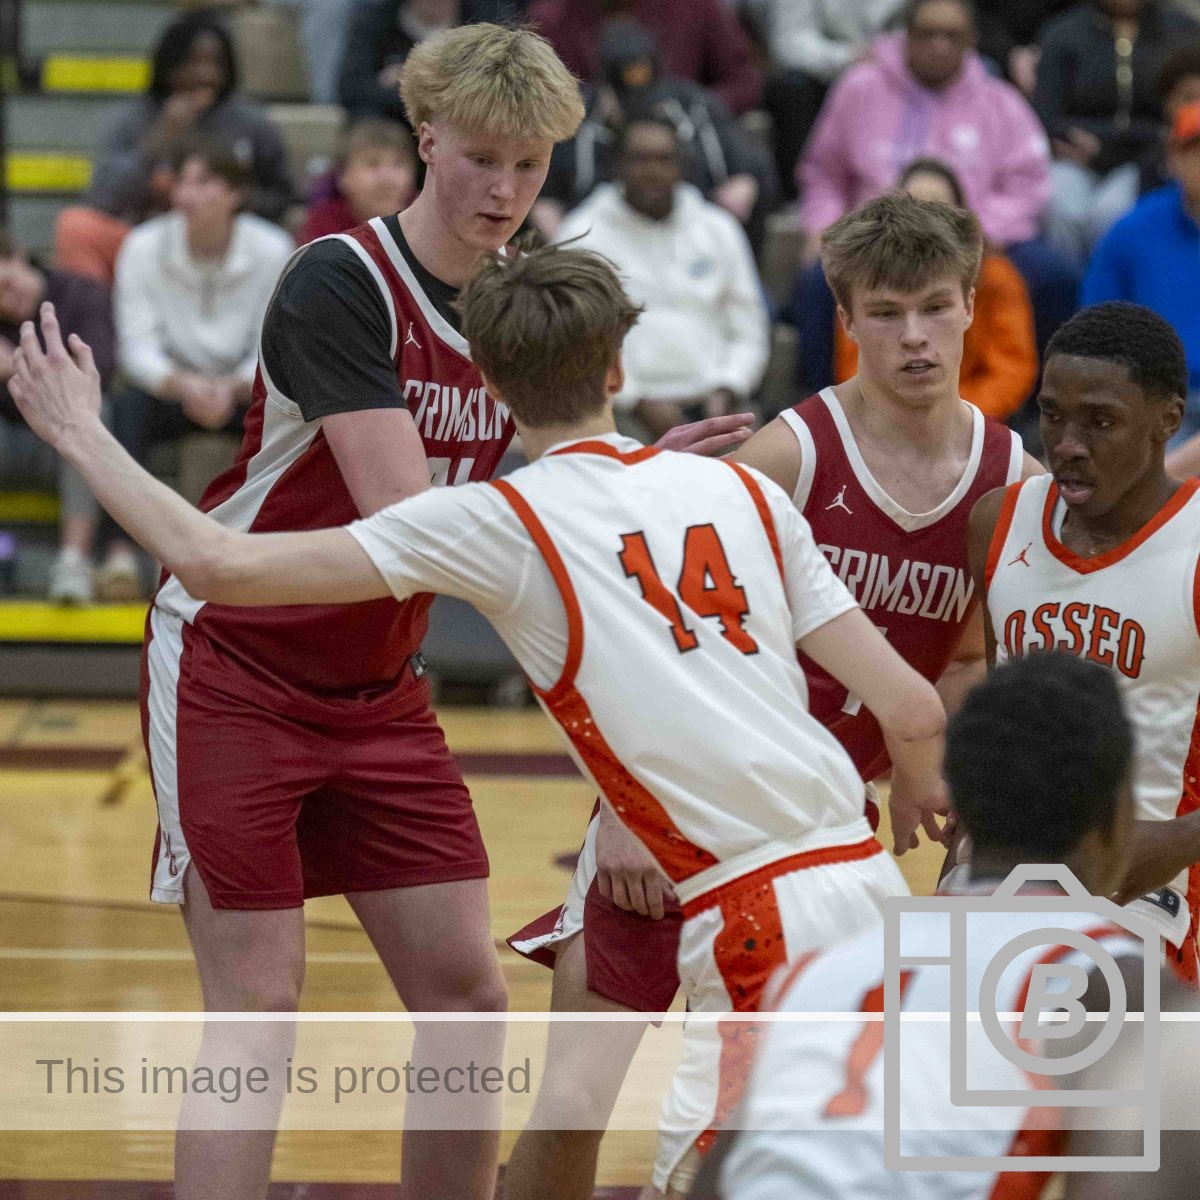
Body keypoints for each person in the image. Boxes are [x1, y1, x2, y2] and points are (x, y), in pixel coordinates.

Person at [10, 247, 949, 1200]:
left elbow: (216, 565)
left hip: (750, 917)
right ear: (617, 369)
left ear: (490, 385)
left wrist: (80, 431)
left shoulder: (496, 521)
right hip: (868, 889)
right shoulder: (744, 491)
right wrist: (922, 781)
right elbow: (914, 708)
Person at [505, 191, 1044, 1200]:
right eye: (886, 312)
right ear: (846, 319)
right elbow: (642, 640)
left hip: (819, 848)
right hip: (677, 815)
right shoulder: (791, 455)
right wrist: (621, 816)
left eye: (935, 307)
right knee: (576, 1101)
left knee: (797, 1127)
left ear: (972, 305)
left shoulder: (1010, 477)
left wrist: (931, 768)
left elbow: (968, 655)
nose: (915, 337)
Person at [699, 653, 1146, 1199]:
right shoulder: (1106, 979)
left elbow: (720, 1183)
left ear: (959, 808)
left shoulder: (813, 974)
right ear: (1115, 816)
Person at [968, 300, 1200, 982]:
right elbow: (996, 711)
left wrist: (1182, 839)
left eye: (1100, 422)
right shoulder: (997, 522)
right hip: (1000, 870)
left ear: (1167, 420)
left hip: (1148, 884)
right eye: (1053, 415)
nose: (1067, 443)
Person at [795, 0, 1076, 378]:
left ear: (971, 40)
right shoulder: (858, 89)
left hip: (976, 240)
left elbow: (1030, 183)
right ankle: (823, 401)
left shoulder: (1000, 100)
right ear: (906, 36)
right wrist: (822, 227)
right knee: (818, 279)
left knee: (1056, 276)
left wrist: (983, 231)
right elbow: (824, 173)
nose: (939, 45)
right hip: (875, 240)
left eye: (951, 35)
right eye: (927, 34)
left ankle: (1038, 400)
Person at [103, 136, 295, 600]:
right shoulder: (143, 245)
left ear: (236, 193)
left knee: (292, 414)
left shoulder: (272, 248)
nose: (187, 193)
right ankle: (119, 556)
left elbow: (274, 342)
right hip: (169, 388)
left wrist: (232, 386)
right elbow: (136, 345)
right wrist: (182, 385)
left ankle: (269, 552)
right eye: (182, 181)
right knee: (121, 411)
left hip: (244, 389)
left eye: (204, 181)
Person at [555, 117, 769, 441]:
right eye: (639, 159)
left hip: (714, 405)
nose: (652, 171)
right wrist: (635, 400)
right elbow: (572, 340)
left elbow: (749, 328)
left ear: (682, 166)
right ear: (617, 165)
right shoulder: (580, 235)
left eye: (664, 159)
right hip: (618, 411)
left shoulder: (718, 228)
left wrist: (728, 386)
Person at [54, 9, 295, 286]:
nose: (205, 74)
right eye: (192, 62)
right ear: (168, 65)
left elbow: (282, 196)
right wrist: (159, 138)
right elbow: (104, 198)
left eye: (215, 63)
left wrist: (225, 200)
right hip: (147, 242)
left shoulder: (251, 122)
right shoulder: (135, 118)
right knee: (75, 226)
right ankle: (91, 314)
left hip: (227, 245)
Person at [531, 20, 776, 244]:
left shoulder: (694, 109)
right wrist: (567, 244)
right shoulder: (575, 121)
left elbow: (753, 169)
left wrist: (743, 186)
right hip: (598, 240)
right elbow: (544, 198)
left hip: (688, 238)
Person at [832, 159, 1038, 423]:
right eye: (888, 312)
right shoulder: (863, 280)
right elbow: (853, 368)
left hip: (975, 421)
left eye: (937, 208)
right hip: (887, 423)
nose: (924, 221)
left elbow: (1011, 371)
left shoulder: (996, 277)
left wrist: (951, 416)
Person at [1034, 0, 1200, 267]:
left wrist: (1105, 146)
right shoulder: (1063, 32)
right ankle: (1072, 289)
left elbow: (1174, 120)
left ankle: (1115, 290)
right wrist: (1073, 140)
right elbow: (1045, 116)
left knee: (1111, 213)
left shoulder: (1181, 31)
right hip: (1074, 158)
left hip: (1144, 157)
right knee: (1060, 207)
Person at [0, 230, 114, 604]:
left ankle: (73, 561)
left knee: (94, 415)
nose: (4, 300)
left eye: (5, 284)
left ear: (18, 256)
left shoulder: (81, 293)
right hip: (10, 438)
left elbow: (99, 371)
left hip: (63, 438)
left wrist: (13, 363)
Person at [1082, 102, 1200, 443]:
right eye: (1194, 151)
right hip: (1156, 402)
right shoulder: (1131, 231)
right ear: (1173, 159)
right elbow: (1094, 333)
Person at [528, 0, 763, 115]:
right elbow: (535, 98)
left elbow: (744, 81)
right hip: (587, 150)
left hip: (684, 146)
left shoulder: (697, 6)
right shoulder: (551, 18)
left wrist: (689, 107)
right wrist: (589, 108)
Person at [300, 118, 418, 244]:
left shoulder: (427, 217)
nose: (387, 178)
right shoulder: (323, 226)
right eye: (372, 164)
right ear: (343, 176)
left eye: (398, 164)